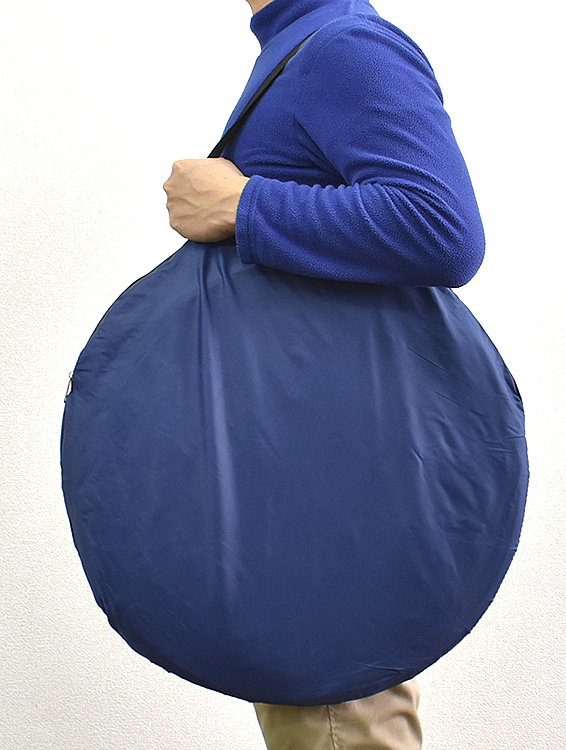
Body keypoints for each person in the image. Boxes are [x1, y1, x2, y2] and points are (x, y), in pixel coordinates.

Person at [162, 0, 485, 747]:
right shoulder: (297, 45)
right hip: (303, 479)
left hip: (327, 497)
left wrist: (244, 204)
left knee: (339, 725)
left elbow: (444, 228)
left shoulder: (345, 45)